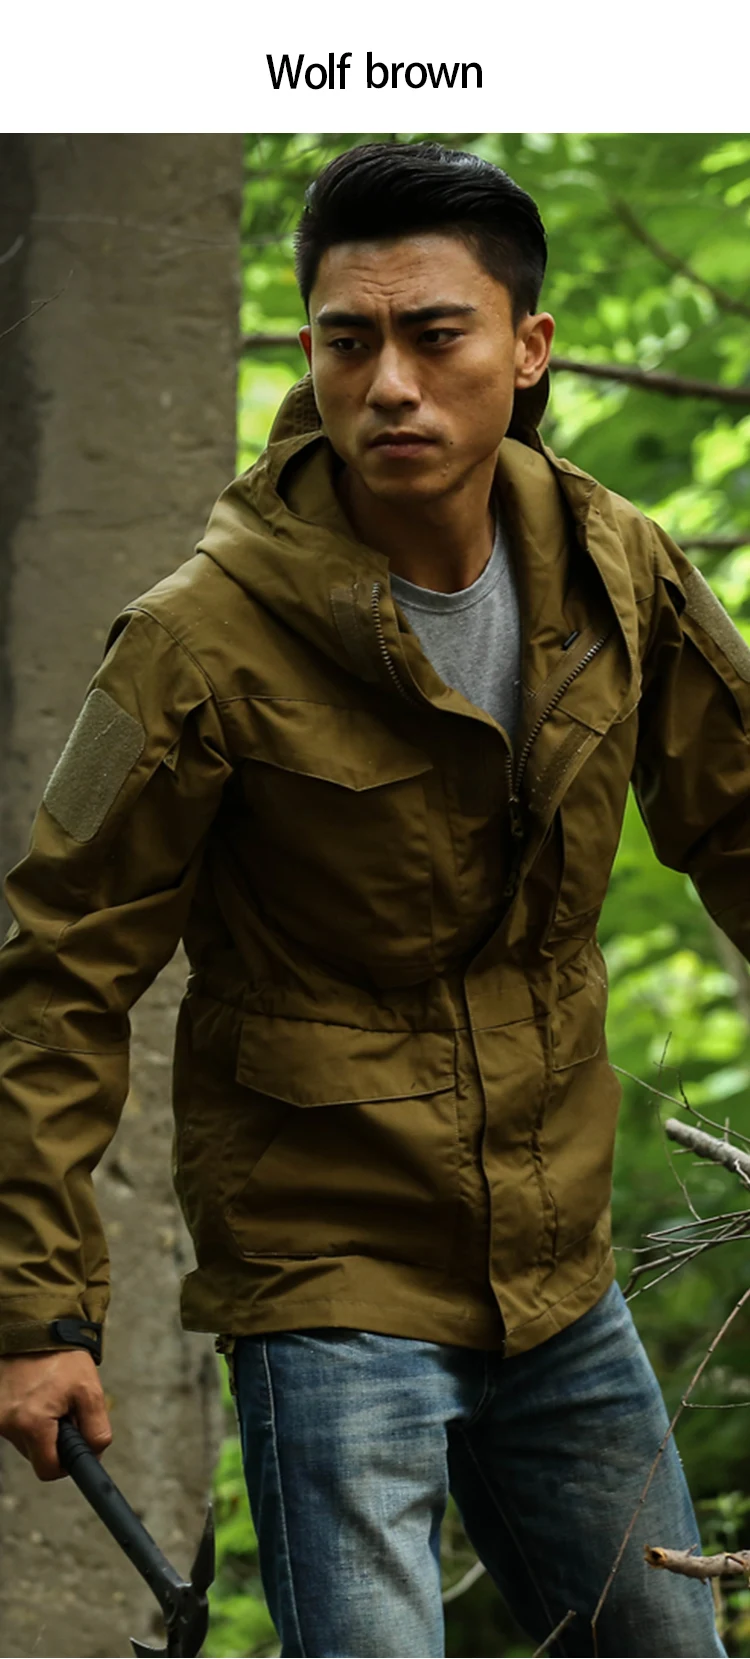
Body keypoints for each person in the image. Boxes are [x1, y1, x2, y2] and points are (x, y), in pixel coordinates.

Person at [0, 140, 741, 1659]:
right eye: (349, 341)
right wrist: (34, 1312)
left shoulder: (617, 571)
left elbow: (739, 824)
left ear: (527, 350)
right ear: (310, 354)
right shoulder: (196, 643)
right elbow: (59, 975)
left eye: (434, 334)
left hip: (558, 1270)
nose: (389, 382)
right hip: (324, 1275)